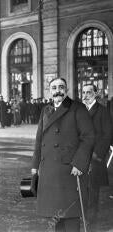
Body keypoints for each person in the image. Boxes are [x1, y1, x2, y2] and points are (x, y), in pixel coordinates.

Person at [31, 78, 95, 232]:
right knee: (56, 216)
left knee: (71, 216)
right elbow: (39, 139)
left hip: (69, 170)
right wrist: (35, 166)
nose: (57, 90)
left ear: (66, 90)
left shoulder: (77, 108)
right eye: (54, 88)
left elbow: (89, 137)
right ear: (49, 91)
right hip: (49, 170)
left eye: (61, 87)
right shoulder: (46, 110)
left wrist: (79, 164)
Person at [82, 84, 112, 230]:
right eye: (84, 92)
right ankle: (83, 216)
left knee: (93, 190)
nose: (86, 95)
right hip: (81, 156)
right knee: (82, 189)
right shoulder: (80, 111)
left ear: (95, 93)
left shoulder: (102, 111)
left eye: (89, 92)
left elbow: (108, 134)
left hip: (94, 157)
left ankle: (91, 221)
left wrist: (97, 153)